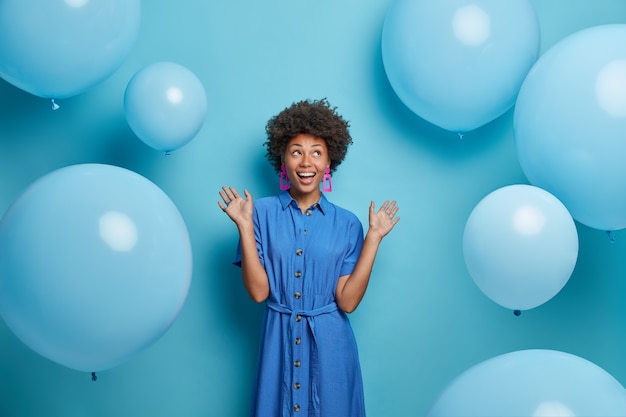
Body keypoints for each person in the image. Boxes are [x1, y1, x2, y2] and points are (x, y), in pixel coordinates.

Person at [218, 98, 400, 417]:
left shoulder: (347, 223)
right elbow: (259, 292)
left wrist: (373, 237)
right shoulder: (258, 213)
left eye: (317, 152)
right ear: (283, 160)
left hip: (332, 349)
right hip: (279, 342)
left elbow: (347, 302)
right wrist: (245, 226)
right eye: (296, 151)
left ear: (329, 161)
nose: (306, 162)